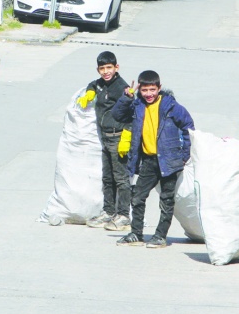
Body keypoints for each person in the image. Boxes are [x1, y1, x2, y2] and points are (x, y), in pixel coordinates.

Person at [111, 70, 194, 248]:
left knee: (166, 199)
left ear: (159, 88)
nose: (149, 94)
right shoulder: (138, 105)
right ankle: (136, 233)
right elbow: (118, 116)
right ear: (140, 89)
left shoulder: (171, 106)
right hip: (148, 161)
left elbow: (188, 126)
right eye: (145, 90)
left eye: (152, 90)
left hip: (169, 160)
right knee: (138, 197)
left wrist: (184, 154)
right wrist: (126, 98)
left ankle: (160, 236)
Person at [76, 51, 132, 231]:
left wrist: (126, 137)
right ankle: (108, 211)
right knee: (107, 178)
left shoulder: (122, 88)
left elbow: (132, 114)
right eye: (102, 68)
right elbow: (92, 84)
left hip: (118, 138)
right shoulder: (99, 84)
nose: (106, 72)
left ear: (117, 67)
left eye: (109, 68)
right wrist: (90, 93)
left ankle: (123, 215)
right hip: (105, 138)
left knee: (121, 179)